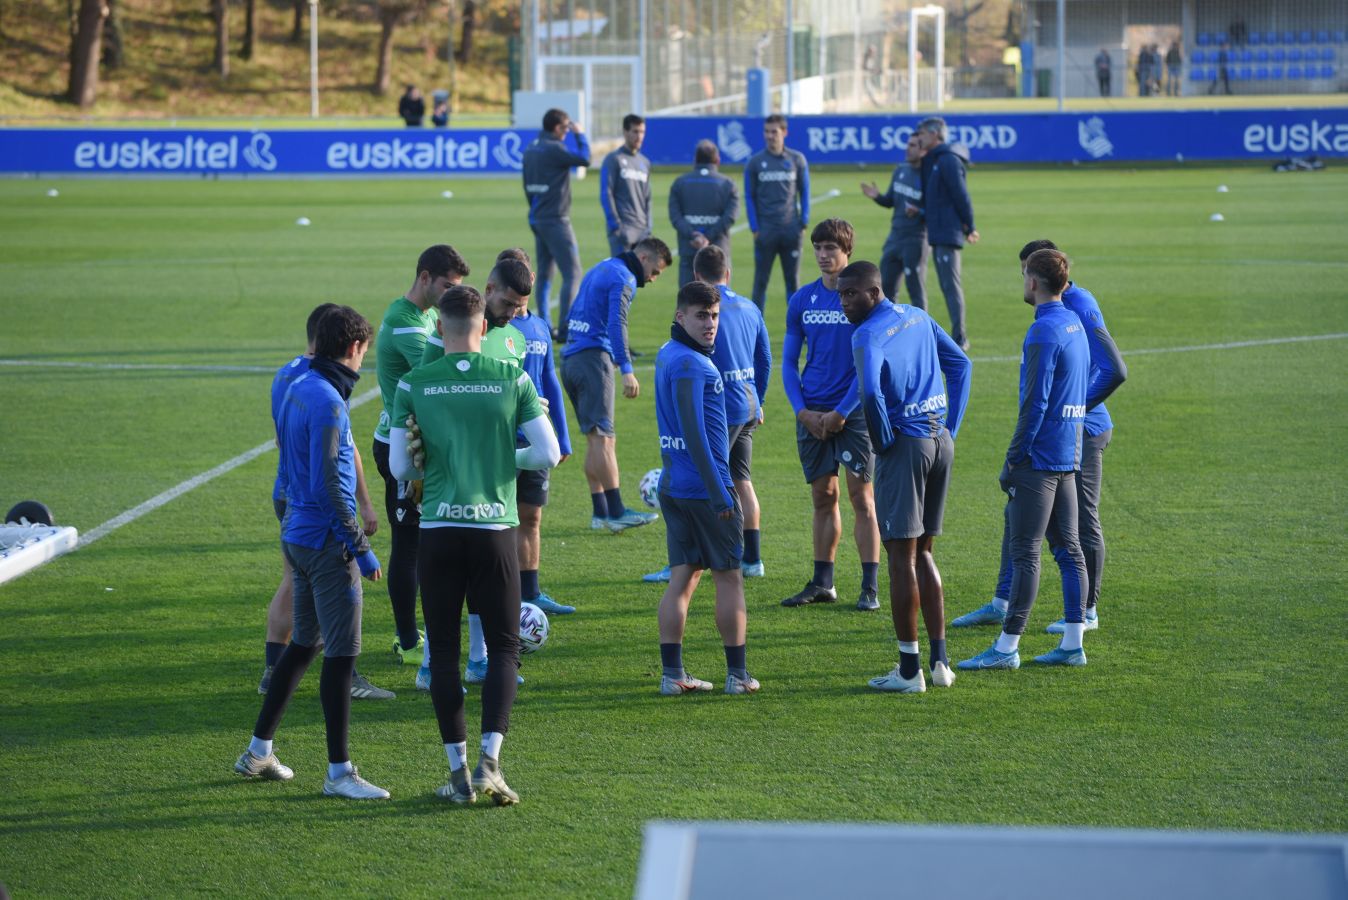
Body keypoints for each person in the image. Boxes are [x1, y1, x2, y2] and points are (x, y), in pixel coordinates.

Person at [389, 285, 561, 805]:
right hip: (495, 532)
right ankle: (491, 763)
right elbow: (549, 453)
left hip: (439, 531)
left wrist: (430, 460)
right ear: (484, 328)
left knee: (443, 651)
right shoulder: (512, 376)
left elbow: (400, 469)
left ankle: (457, 772)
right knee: (504, 648)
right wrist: (505, 457)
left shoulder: (414, 383)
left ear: (439, 327)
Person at [234, 305, 390, 801]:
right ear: (354, 347)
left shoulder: (295, 385)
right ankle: (340, 773)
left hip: (297, 534)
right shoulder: (328, 402)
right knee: (341, 657)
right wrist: (360, 548)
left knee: (304, 644)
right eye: (364, 351)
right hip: (326, 542)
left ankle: (258, 751)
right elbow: (329, 485)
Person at [952, 240, 1126, 634]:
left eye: (1025, 273)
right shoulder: (1053, 312)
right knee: (1017, 515)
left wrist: (1073, 408)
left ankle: (1087, 612)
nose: (1023, 281)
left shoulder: (1077, 304)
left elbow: (1114, 369)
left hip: (1080, 431)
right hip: (1058, 430)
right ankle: (1002, 602)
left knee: (1080, 524)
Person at [839, 261, 970, 693]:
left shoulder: (866, 335)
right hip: (939, 442)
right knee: (924, 553)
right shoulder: (917, 315)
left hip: (906, 447)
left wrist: (882, 442)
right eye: (841, 295)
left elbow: (870, 392)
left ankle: (910, 671)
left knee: (900, 557)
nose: (844, 304)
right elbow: (961, 365)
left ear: (874, 293)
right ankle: (940, 662)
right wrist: (951, 427)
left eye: (851, 295)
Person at [957, 249, 1091, 672]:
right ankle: (1072, 644)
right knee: (1069, 550)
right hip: (1067, 453)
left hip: (1039, 458)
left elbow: (1034, 404)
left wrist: (1014, 458)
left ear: (1033, 281)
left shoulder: (1042, 331)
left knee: (1026, 554)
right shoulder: (1074, 323)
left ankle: (1006, 647)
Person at [261, 304, 392, 702]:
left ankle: (273, 676)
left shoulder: (290, 378)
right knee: (331, 617)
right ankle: (345, 677)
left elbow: (288, 442)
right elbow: (333, 469)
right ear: (349, 345)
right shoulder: (325, 392)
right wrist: (360, 540)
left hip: (291, 500)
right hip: (318, 515)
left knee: (299, 603)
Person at [420, 257, 537, 688]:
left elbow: (518, 398)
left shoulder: (515, 341)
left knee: (481, 577)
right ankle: (429, 662)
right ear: (488, 291)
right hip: (443, 474)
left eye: (521, 306)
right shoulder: (449, 332)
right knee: (445, 580)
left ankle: (479, 658)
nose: (515, 313)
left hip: (493, 472)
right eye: (508, 303)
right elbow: (422, 392)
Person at [654, 281, 759, 696]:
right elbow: (694, 433)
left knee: (682, 578)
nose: (710, 324)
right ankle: (738, 676)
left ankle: (673, 675)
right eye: (701, 316)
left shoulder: (669, 352)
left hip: (674, 485)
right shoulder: (692, 365)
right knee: (729, 579)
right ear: (681, 316)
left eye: (714, 316)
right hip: (704, 490)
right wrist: (719, 492)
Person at [643, 244, 770, 584]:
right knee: (742, 479)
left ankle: (686, 560)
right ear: (727, 273)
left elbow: (702, 367)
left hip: (719, 411)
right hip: (747, 406)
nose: (710, 322)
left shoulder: (701, 316)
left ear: (697, 275)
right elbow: (765, 358)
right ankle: (753, 559)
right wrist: (758, 399)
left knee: (712, 479)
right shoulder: (750, 307)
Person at [371, 245, 469, 680]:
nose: (452, 295)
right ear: (425, 277)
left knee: (426, 541)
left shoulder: (427, 316)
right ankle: (409, 640)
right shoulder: (405, 323)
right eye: (448, 286)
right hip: (401, 448)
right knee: (408, 543)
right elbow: (440, 371)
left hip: (421, 444)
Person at [780, 218, 882, 611]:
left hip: (854, 413)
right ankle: (823, 582)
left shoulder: (864, 300)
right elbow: (788, 362)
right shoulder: (801, 300)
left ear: (847, 252)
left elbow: (870, 365)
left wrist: (842, 411)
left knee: (861, 497)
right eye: (818, 248)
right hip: (813, 411)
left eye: (831, 248)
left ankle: (870, 586)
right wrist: (801, 411)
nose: (823, 255)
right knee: (823, 496)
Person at [561, 236, 672, 533]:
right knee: (604, 440)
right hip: (592, 360)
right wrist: (626, 368)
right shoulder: (625, 278)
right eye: (655, 271)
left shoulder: (603, 266)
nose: (653, 278)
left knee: (594, 439)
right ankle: (617, 511)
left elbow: (573, 312)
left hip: (571, 358)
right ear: (644, 258)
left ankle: (600, 513)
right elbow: (616, 323)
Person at [498, 248, 577, 616]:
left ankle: (531, 592)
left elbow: (550, 380)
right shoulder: (495, 327)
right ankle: (500, 593)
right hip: (501, 438)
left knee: (531, 517)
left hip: (536, 437)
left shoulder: (541, 326)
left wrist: (562, 436)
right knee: (499, 518)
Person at [522, 108, 591, 340]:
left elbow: (526, 184)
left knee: (544, 274)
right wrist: (580, 134)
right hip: (556, 219)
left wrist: (536, 208)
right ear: (557, 127)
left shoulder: (531, 148)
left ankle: (544, 324)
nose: (567, 132)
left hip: (537, 216)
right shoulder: (555, 148)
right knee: (573, 273)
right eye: (566, 128)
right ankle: (565, 327)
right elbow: (585, 158)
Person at [915, 117, 978, 351]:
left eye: (922, 133)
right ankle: (958, 335)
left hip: (948, 232)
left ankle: (960, 337)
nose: (919, 138)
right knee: (946, 285)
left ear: (935, 134)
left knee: (951, 285)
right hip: (939, 231)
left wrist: (970, 226)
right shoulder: (935, 159)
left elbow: (961, 195)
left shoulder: (948, 160)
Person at [745, 113, 810, 314]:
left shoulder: (796, 159)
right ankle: (755, 327)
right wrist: (754, 227)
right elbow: (749, 196)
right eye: (766, 131)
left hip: (791, 230)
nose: (769, 136)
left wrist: (803, 222)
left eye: (774, 132)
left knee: (793, 282)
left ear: (784, 132)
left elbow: (805, 191)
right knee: (760, 282)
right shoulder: (755, 162)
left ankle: (797, 326)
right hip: (766, 232)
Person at [861, 132, 929, 309]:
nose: (908, 148)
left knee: (916, 290)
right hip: (895, 237)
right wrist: (877, 197)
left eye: (913, 145)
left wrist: (920, 211)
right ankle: (890, 325)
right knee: (885, 290)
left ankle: (923, 326)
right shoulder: (900, 170)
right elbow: (890, 201)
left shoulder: (929, 176)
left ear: (923, 150)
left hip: (916, 239)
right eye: (908, 144)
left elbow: (937, 211)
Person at [669, 140, 739, 288]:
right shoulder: (728, 184)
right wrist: (708, 237)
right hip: (718, 254)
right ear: (717, 160)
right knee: (719, 299)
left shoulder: (680, 183)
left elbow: (675, 217)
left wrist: (694, 235)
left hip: (689, 250)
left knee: (688, 298)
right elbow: (730, 217)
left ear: (695, 160)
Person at [600, 114, 652, 257]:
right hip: (623, 231)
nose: (639, 136)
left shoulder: (645, 162)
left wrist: (648, 227)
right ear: (625, 132)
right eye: (635, 131)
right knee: (622, 271)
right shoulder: (613, 159)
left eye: (642, 132)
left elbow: (647, 197)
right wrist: (617, 227)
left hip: (642, 232)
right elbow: (606, 194)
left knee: (641, 272)